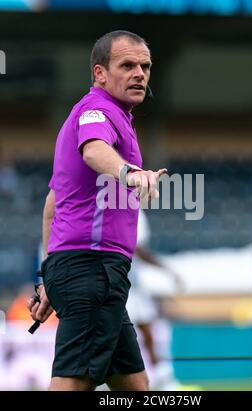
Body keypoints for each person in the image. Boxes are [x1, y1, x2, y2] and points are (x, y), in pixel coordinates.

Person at [27, 30, 167, 391]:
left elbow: (51, 207)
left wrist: (48, 279)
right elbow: (94, 150)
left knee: (135, 385)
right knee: (73, 382)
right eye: (127, 65)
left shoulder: (113, 118)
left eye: (145, 66)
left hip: (84, 271)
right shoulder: (96, 112)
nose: (139, 73)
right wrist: (130, 173)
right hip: (92, 270)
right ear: (100, 74)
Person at [126, 209, 182, 390]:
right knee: (139, 334)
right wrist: (165, 268)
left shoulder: (133, 211)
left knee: (148, 333)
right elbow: (138, 249)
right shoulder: (130, 210)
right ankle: (164, 380)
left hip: (132, 284)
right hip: (123, 285)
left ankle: (164, 380)